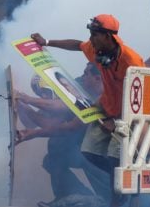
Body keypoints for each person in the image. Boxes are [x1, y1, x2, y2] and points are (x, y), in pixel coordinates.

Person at [31, 13, 145, 207]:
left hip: (128, 115)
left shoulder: (131, 60)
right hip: (107, 108)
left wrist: (117, 121)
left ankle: (117, 200)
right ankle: (127, 181)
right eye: (91, 33)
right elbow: (77, 45)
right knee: (89, 153)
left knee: (114, 157)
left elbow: (139, 98)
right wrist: (47, 42)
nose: (91, 39)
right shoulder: (95, 49)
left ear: (109, 36)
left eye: (95, 34)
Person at [16, 63, 108, 207]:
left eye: (46, 92)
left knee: (109, 199)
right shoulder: (79, 83)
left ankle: (91, 200)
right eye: (41, 94)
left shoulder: (83, 89)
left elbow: (61, 110)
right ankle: (75, 197)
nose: (44, 97)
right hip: (86, 149)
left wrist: (28, 100)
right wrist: (21, 106)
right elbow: (34, 123)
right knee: (54, 155)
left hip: (102, 154)